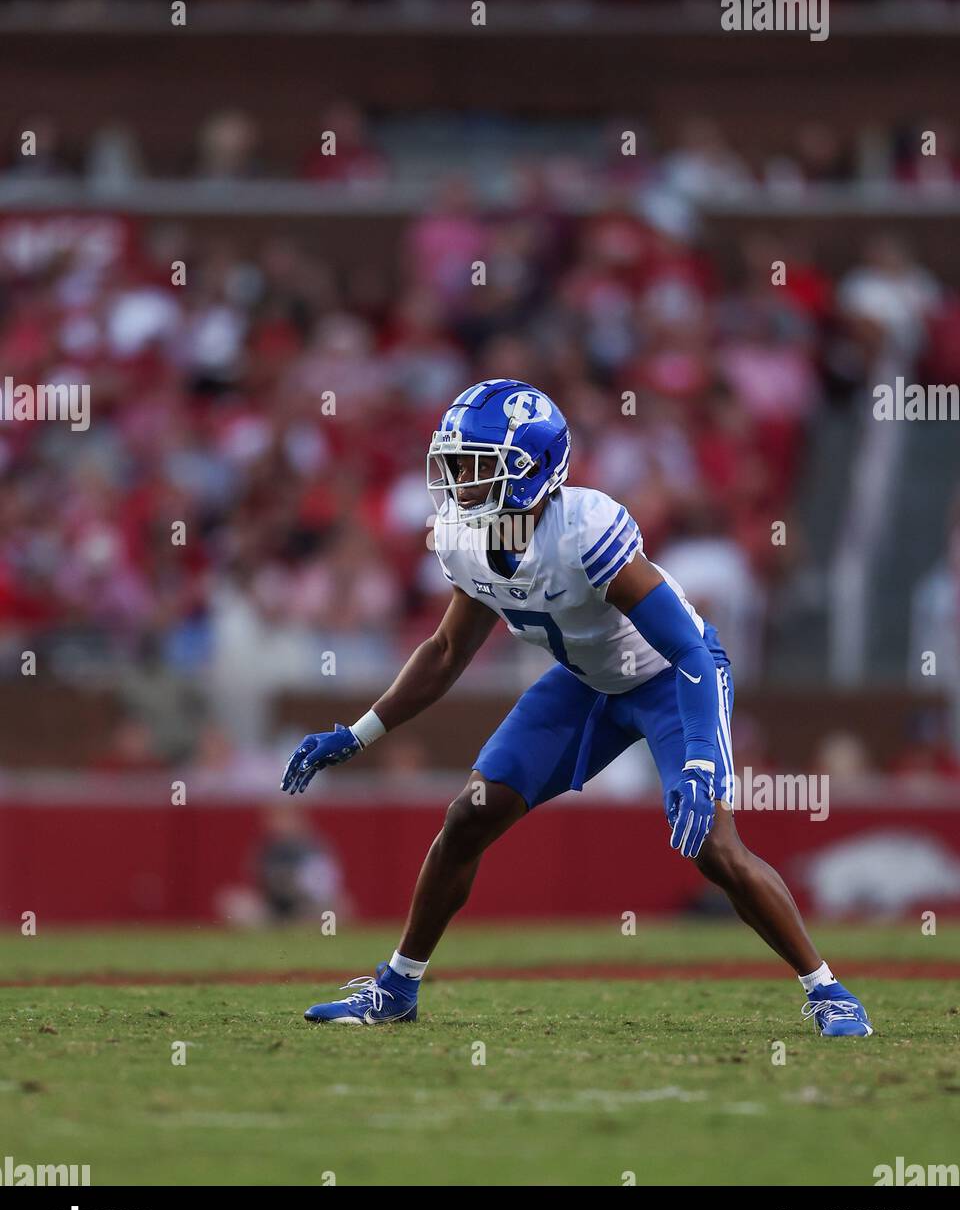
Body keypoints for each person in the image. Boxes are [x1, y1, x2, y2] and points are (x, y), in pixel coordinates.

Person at [282, 379, 872, 1037]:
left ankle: (827, 990)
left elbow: (689, 653)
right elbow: (448, 650)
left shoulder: (586, 529)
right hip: (584, 683)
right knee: (469, 817)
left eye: (479, 467)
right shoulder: (465, 537)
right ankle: (396, 989)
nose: (459, 483)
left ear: (533, 473)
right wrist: (360, 734)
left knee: (712, 848)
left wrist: (703, 760)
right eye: (455, 465)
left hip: (669, 677)